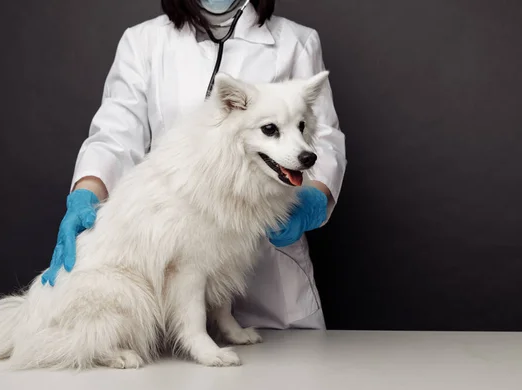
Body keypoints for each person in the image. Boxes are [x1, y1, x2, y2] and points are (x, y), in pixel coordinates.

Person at [43, 0, 346, 330]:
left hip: (273, 283)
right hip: (176, 245)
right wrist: (86, 194)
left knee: (288, 374)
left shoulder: (296, 41)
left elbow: (322, 139)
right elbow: (114, 138)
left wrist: (312, 199)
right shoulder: (143, 41)